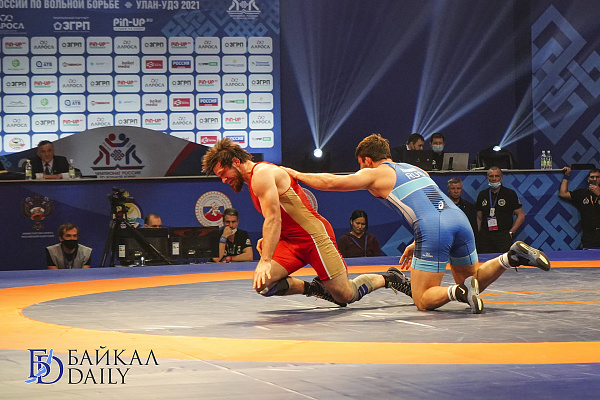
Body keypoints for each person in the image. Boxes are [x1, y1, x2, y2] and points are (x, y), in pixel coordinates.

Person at [284, 134, 550, 314]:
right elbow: (431, 203)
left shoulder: (376, 173)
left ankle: (457, 292)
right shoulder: (415, 169)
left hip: (433, 227)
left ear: (367, 160)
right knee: (474, 279)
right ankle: (510, 257)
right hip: (458, 219)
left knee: (422, 298)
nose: (361, 169)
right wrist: (416, 242)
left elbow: (331, 182)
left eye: (361, 164)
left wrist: (295, 173)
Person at [202, 138, 411, 307]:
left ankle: (390, 278)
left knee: (345, 295)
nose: (224, 180)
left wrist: (265, 259)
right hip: (291, 242)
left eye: (223, 173)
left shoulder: (262, 174)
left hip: (314, 238)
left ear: (236, 162)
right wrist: (269, 239)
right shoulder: (254, 180)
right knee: (263, 284)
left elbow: (273, 218)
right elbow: (280, 216)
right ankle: (315, 289)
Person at [476, 166, 525, 253]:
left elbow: (521, 215)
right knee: (485, 259)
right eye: (491, 176)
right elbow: (479, 216)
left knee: (504, 260)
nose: (494, 179)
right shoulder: (482, 194)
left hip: (503, 235)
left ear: (501, 178)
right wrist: (479, 232)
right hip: (486, 236)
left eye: (497, 176)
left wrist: (511, 232)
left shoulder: (509, 194)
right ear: (487, 178)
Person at [558, 166, 600, 248]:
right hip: (589, 235)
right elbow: (563, 193)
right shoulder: (582, 193)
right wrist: (567, 176)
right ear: (588, 179)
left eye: (597, 177)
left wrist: (598, 194)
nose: (594, 179)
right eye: (592, 177)